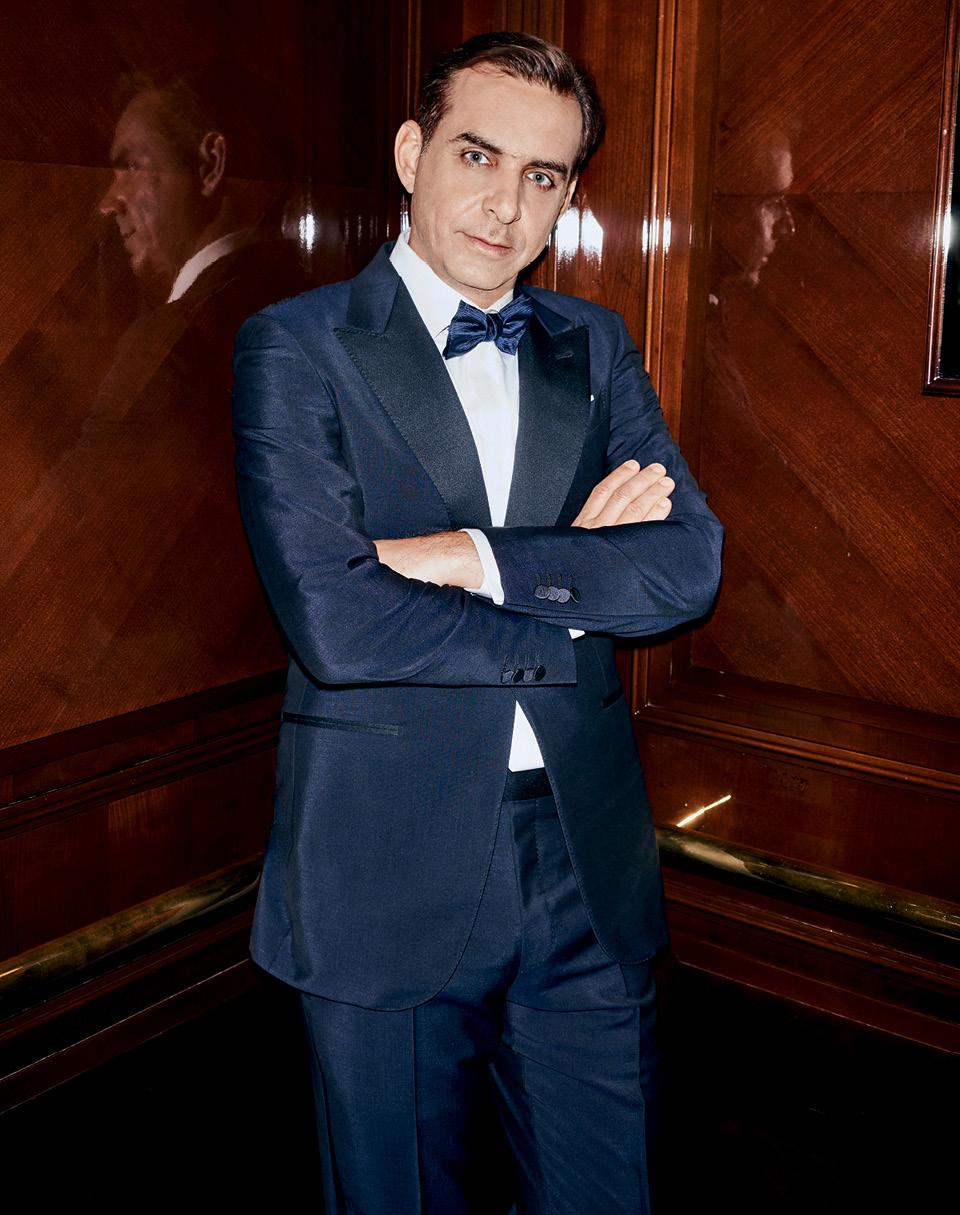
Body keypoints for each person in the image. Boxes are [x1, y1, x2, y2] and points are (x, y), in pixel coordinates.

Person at [232, 31, 722, 1215]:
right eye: (477, 155)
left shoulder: (595, 347)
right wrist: (577, 593)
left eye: (543, 175)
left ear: (567, 193)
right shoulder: (294, 346)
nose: (507, 204)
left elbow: (687, 567)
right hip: (381, 868)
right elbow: (339, 625)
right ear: (412, 154)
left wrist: (468, 558)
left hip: (586, 867)